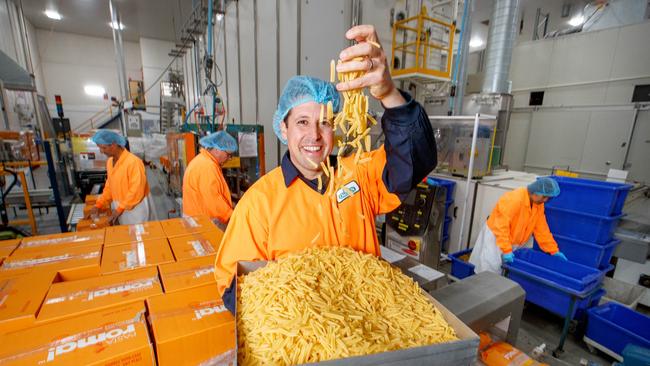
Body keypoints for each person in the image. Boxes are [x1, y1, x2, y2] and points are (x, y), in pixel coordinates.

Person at [214, 25, 438, 312]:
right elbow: (233, 285)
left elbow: (417, 160)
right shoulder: (260, 203)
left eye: (325, 122)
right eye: (302, 122)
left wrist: (389, 93)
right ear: (283, 127)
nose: (315, 136)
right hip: (307, 341)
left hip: (368, 324)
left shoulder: (359, 174)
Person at [468, 177, 568, 274]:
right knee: (489, 270)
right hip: (496, 238)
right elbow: (501, 226)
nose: (545, 200)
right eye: (544, 196)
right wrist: (506, 250)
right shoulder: (514, 199)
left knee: (501, 272)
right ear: (536, 192)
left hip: (511, 241)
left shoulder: (538, 205)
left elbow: (542, 230)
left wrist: (553, 250)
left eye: (548, 198)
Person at [87, 130, 150, 225]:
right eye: (100, 148)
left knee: (137, 236)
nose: (101, 151)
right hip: (119, 207)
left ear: (113, 145)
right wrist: (99, 204)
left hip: (135, 209)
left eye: (103, 148)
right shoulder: (109, 162)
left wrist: (120, 209)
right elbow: (109, 187)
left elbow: (136, 190)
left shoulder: (133, 162)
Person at [182, 131, 238, 226]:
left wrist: (231, 204)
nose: (229, 159)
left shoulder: (203, 160)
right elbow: (213, 200)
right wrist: (234, 215)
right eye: (228, 155)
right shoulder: (207, 167)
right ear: (217, 150)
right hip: (201, 223)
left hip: (197, 218)